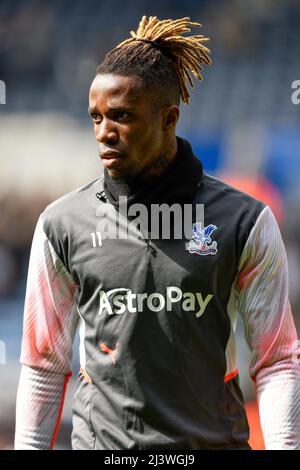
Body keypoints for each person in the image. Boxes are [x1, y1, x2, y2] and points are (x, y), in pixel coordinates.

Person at [15, 15, 300, 450]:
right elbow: (43, 364)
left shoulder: (244, 221)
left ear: (169, 119)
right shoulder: (61, 224)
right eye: (96, 117)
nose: (103, 133)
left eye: (122, 116)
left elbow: (277, 359)